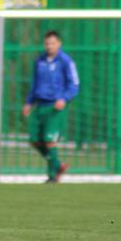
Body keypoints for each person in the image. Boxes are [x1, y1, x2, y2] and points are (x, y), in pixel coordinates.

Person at [22, 30, 79, 183]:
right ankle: (58, 165)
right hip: (39, 105)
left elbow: (74, 84)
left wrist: (64, 98)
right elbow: (34, 84)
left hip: (55, 107)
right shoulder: (39, 60)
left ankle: (52, 176)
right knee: (34, 140)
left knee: (49, 140)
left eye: (52, 43)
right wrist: (29, 102)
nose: (49, 46)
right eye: (47, 43)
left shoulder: (66, 61)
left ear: (59, 44)